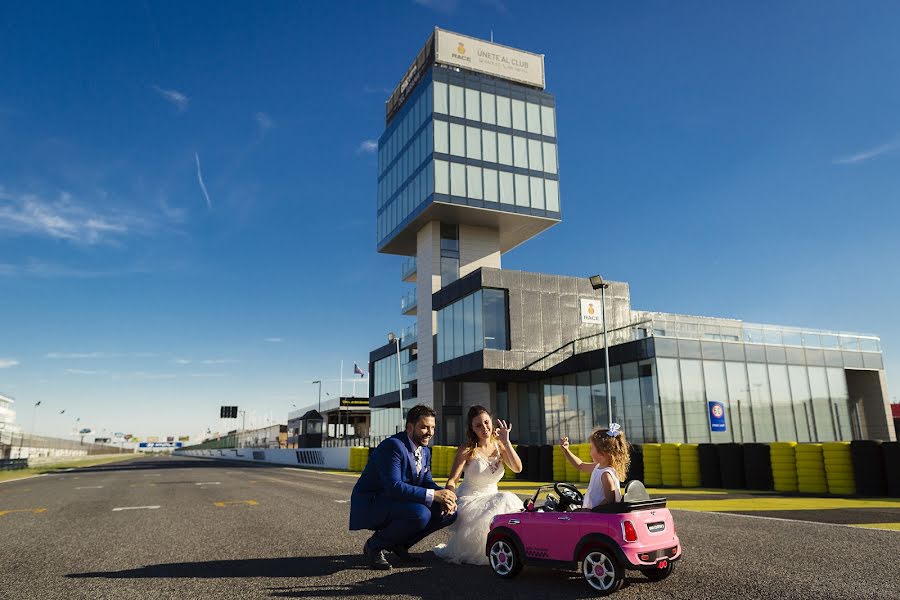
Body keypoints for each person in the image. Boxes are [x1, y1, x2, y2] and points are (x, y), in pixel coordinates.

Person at [349, 405, 458, 570]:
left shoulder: (425, 450)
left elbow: (426, 481)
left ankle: (399, 545)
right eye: (424, 427)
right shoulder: (393, 446)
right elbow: (393, 486)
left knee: (448, 513)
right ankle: (374, 545)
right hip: (374, 502)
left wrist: (445, 497)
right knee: (420, 514)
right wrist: (434, 495)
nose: (430, 432)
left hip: (398, 500)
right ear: (410, 427)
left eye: (433, 427)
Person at [433, 405, 523, 565]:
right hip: (470, 499)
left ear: (492, 422)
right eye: (478, 425)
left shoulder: (500, 446)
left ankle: (511, 547)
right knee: (505, 498)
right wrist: (450, 497)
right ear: (472, 429)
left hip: (493, 496)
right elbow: (452, 480)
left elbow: (518, 468)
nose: (484, 428)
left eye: (486, 422)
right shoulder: (466, 449)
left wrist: (507, 442)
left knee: (507, 500)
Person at [559, 423, 630, 509]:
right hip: (593, 516)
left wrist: (590, 511)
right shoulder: (599, 467)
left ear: (602, 453)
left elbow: (610, 501)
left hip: (599, 517)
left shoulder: (606, 474)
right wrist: (566, 450)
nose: (590, 451)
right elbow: (580, 465)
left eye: (592, 448)